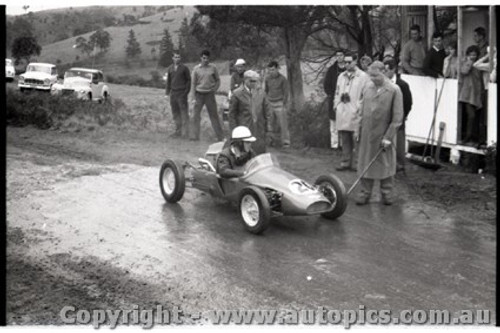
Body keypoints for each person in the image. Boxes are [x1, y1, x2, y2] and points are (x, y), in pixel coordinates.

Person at [355, 61, 403, 205]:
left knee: (385, 164)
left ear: (384, 72)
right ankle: (365, 193)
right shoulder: (367, 87)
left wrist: (388, 137)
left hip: (383, 135)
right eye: (371, 75)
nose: (372, 78)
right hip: (367, 134)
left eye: (375, 75)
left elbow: (397, 117)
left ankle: (387, 193)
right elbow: (361, 111)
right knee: (365, 163)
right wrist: (358, 129)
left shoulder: (394, 90)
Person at [333, 53, 369, 171]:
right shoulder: (341, 76)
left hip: (355, 111)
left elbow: (365, 95)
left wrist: (359, 107)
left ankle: (358, 163)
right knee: (345, 137)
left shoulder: (363, 76)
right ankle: (345, 162)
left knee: (356, 138)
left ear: (355, 61)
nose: (347, 65)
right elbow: (337, 92)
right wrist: (336, 105)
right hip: (343, 110)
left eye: (349, 62)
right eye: (345, 62)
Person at [229, 70, 272, 155]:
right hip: (244, 130)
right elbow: (232, 115)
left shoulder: (261, 93)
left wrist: (269, 129)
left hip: (259, 130)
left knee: (260, 155)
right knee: (244, 154)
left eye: (256, 81)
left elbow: (268, 112)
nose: (254, 83)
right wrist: (234, 133)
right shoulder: (237, 94)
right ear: (245, 80)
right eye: (252, 81)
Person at [383, 58, 413, 172]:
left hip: (398, 117)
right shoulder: (383, 83)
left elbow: (408, 102)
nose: (385, 73)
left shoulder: (402, 85)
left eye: (387, 70)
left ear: (393, 70)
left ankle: (400, 164)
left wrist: (402, 115)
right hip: (386, 117)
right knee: (387, 139)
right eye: (383, 70)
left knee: (399, 141)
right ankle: (387, 163)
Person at [190, 50, 225, 141]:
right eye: (204, 58)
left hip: (209, 94)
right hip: (199, 95)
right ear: (201, 58)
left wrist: (214, 89)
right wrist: (193, 98)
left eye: (207, 58)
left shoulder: (213, 67)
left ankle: (220, 137)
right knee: (195, 116)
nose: (206, 60)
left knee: (214, 116)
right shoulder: (196, 69)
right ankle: (195, 136)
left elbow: (218, 80)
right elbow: (193, 84)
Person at [459, 45, 483, 146]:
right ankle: (467, 137)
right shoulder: (466, 63)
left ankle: (474, 137)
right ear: (468, 55)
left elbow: (480, 80)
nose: (473, 56)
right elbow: (463, 71)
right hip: (467, 94)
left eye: (474, 54)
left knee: (476, 117)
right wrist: (469, 62)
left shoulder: (479, 65)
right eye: (471, 54)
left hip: (476, 94)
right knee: (471, 116)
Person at [323, 50, 346, 149]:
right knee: (333, 123)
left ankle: (344, 144)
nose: (339, 57)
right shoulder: (332, 70)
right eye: (337, 55)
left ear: (344, 56)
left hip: (346, 99)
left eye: (341, 55)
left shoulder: (348, 69)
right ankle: (334, 145)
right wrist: (330, 95)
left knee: (345, 122)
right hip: (334, 98)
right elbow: (326, 84)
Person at [264, 61, 290, 148]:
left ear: (277, 69)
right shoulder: (267, 79)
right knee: (270, 124)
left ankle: (285, 142)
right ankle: (272, 141)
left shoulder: (283, 79)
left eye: (273, 70)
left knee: (283, 124)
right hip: (270, 103)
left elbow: (286, 92)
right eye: (270, 70)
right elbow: (266, 90)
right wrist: (266, 102)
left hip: (279, 103)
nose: (272, 72)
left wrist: (284, 103)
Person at [165, 51, 191, 138]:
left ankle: (185, 133)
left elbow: (188, 80)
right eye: (175, 57)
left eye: (178, 57)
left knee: (184, 113)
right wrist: (167, 93)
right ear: (172, 58)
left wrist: (186, 92)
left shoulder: (184, 68)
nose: (177, 59)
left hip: (181, 93)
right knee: (175, 113)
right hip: (173, 93)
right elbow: (168, 81)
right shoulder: (170, 68)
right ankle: (178, 131)